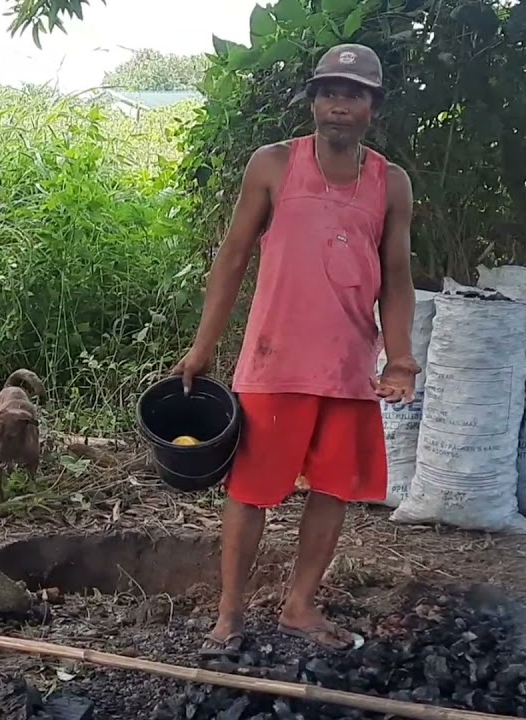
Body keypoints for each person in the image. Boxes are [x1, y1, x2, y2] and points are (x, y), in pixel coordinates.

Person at [173, 43, 419, 655]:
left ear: (372, 107)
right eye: (330, 92)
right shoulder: (275, 165)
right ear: (313, 102)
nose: (341, 104)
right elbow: (232, 258)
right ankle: (229, 616)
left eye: (354, 94)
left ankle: (299, 606)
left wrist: (402, 356)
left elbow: (396, 276)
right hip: (274, 364)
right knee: (251, 491)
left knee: (332, 490)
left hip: (347, 367)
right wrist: (202, 348)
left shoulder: (390, 183)